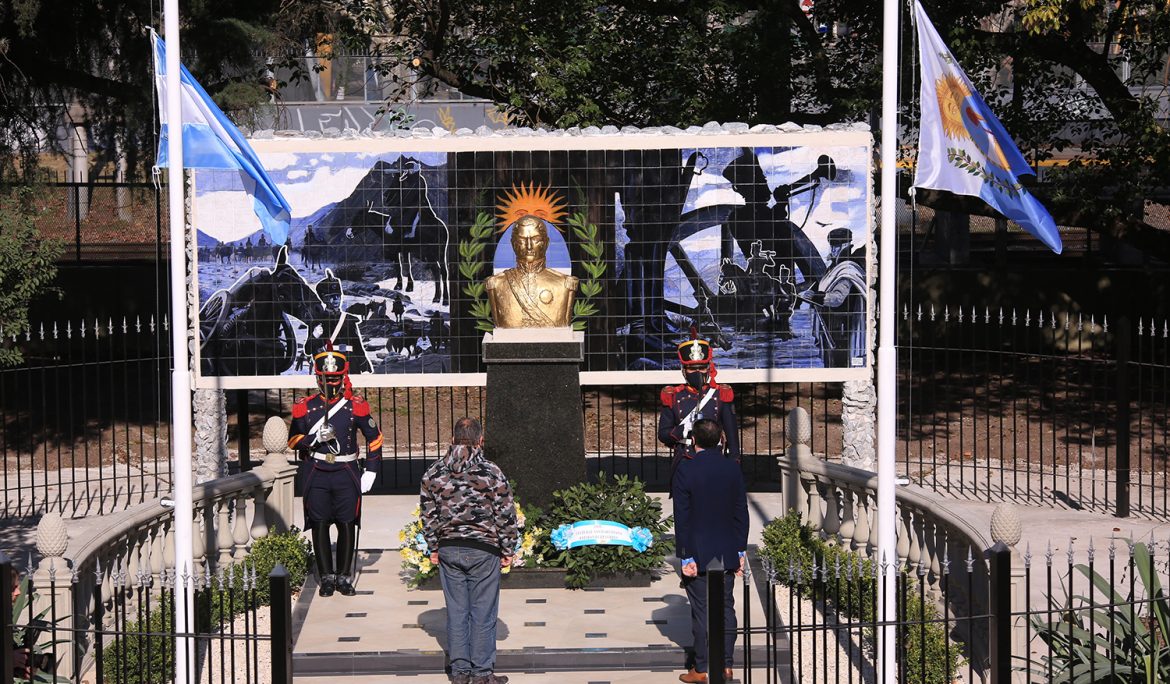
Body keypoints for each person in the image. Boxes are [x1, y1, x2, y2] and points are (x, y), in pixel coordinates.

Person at [420, 417, 518, 684]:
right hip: (484, 549)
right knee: (483, 613)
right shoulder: (491, 472)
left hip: (449, 548)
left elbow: (428, 515)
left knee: (457, 611)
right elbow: (505, 513)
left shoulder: (433, 473)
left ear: (452, 440)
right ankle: (482, 673)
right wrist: (508, 547)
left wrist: (433, 546)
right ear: (480, 441)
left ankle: (460, 672)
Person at [288, 347, 383, 597]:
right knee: (319, 524)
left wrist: (371, 470)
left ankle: (343, 577)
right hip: (317, 471)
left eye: (336, 378)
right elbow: (292, 441)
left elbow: (375, 438)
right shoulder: (304, 408)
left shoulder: (355, 406)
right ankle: (326, 577)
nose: (331, 383)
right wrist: (313, 438)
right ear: (317, 378)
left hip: (346, 471)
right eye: (327, 378)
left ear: (343, 377)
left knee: (346, 523)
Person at [672, 418, 749, 683]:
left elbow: (681, 516)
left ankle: (703, 667)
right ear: (720, 440)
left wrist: (685, 554)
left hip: (698, 549)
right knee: (726, 607)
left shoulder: (686, 469)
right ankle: (726, 664)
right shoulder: (732, 469)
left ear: (693, 440)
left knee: (702, 610)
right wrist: (740, 550)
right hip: (726, 548)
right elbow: (741, 511)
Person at [659, 333, 740, 490]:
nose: (698, 372)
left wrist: (733, 468)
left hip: (714, 461)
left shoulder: (720, 394)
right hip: (685, 461)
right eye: (692, 368)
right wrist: (683, 430)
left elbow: (733, 439)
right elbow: (663, 434)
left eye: (702, 367)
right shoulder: (673, 395)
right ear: (684, 369)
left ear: (709, 368)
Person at [485, 215, 578, 328]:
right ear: (513, 244)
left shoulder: (566, 284)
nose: (529, 246)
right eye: (522, 240)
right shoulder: (495, 284)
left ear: (546, 243)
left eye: (536, 239)